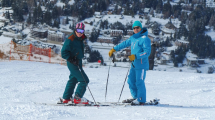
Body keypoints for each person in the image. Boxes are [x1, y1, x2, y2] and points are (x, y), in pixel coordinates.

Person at [109, 21, 151, 105]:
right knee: (130, 81)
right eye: (134, 28)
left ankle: (141, 99)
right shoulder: (133, 38)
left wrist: (136, 56)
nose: (136, 29)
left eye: (137, 28)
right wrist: (114, 49)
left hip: (141, 65)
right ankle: (134, 96)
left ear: (141, 28)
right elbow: (124, 44)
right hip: (134, 64)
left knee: (139, 82)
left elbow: (147, 52)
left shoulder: (145, 39)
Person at [60, 22, 91, 104]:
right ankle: (77, 98)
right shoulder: (71, 39)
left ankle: (66, 98)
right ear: (75, 29)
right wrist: (71, 59)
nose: (79, 33)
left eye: (81, 31)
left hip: (78, 61)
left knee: (73, 79)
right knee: (84, 80)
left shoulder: (80, 38)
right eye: (78, 30)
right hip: (73, 62)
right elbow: (63, 52)